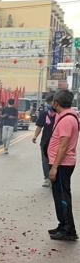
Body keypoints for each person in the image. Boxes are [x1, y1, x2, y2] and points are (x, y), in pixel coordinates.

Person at [47, 89, 78, 242]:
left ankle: (68, 230)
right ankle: (63, 225)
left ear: (56, 103)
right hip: (62, 164)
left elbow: (63, 146)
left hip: (62, 164)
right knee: (59, 196)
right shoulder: (68, 116)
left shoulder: (66, 120)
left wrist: (54, 167)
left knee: (62, 197)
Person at [33, 93, 56, 186]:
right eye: (48, 103)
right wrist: (35, 136)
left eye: (50, 103)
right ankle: (47, 178)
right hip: (45, 142)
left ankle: (55, 178)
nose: (49, 105)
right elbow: (39, 126)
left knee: (55, 161)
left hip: (57, 142)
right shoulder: (44, 115)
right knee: (45, 160)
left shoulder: (60, 115)